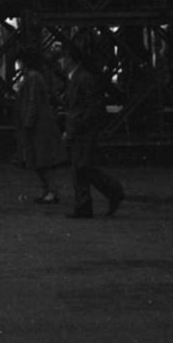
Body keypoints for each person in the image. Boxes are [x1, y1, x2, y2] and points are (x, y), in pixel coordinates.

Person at [57, 41, 124, 218]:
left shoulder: (82, 79)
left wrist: (76, 126)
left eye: (62, 59)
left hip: (83, 131)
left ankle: (106, 194)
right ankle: (89, 203)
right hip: (81, 130)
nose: (60, 62)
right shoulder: (79, 77)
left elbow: (91, 107)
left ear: (70, 59)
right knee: (82, 168)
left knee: (82, 168)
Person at [10, 45, 65, 204]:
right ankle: (49, 190)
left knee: (42, 160)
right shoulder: (35, 76)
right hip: (40, 123)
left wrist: (27, 121)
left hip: (38, 125)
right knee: (41, 159)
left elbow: (33, 101)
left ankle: (50, 191)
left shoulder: (32, 77)